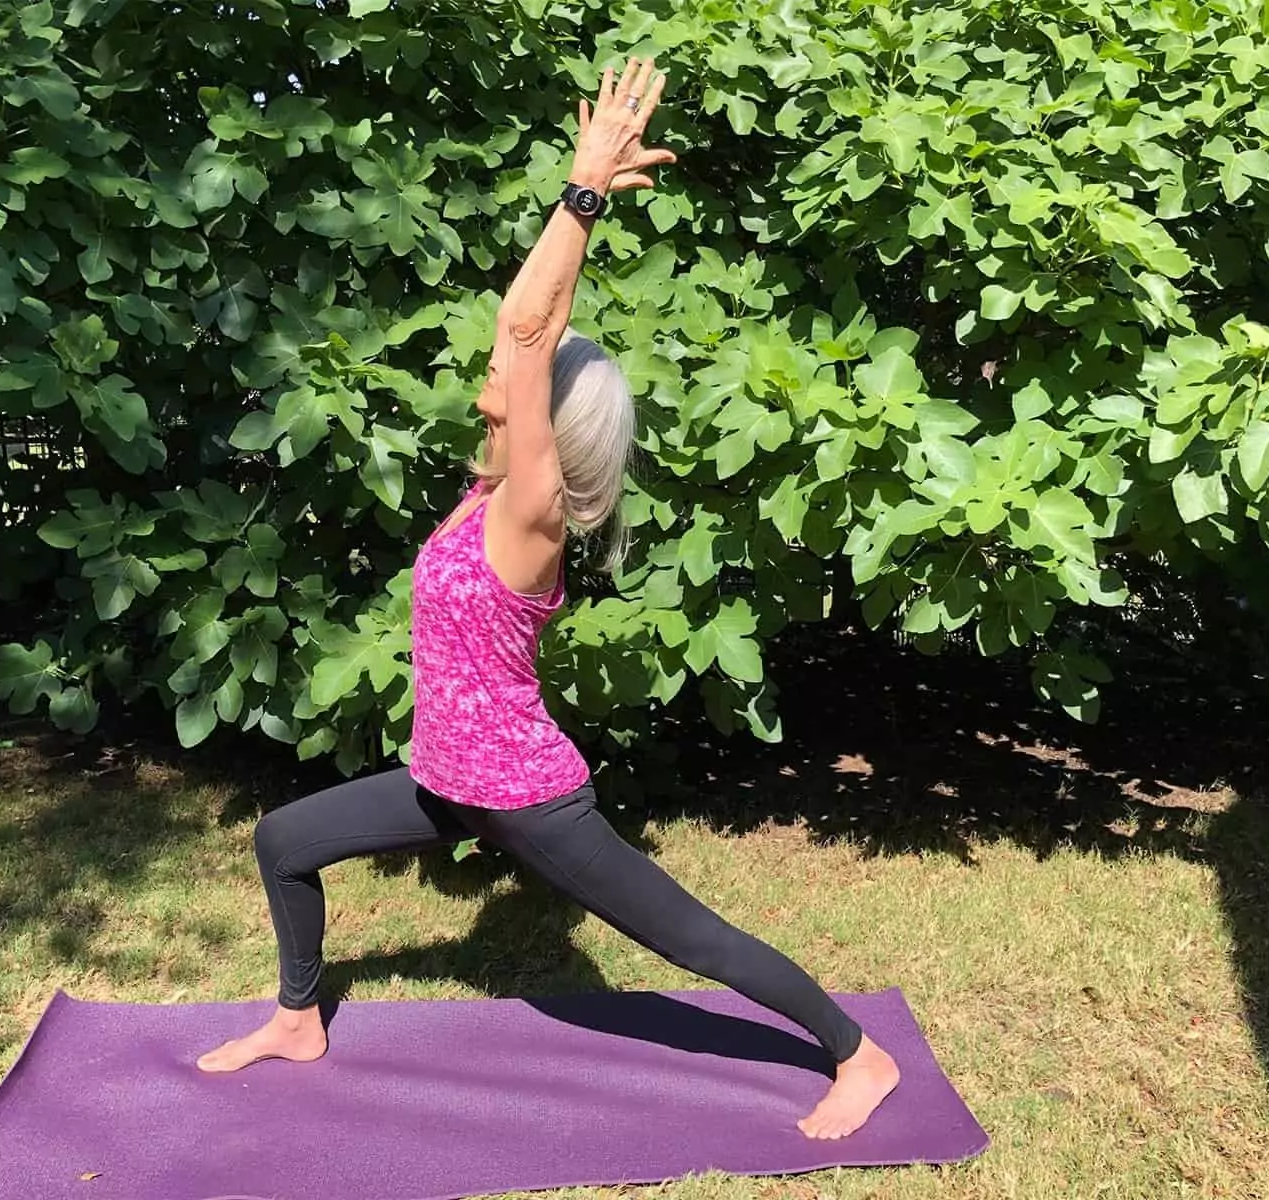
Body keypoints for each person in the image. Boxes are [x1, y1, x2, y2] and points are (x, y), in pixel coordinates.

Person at [197, 58, 901, 1140]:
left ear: (548, 416)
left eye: (530, 369)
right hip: (446, 778)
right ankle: (298, 1019)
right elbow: (523, 327)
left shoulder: (530, 514)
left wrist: (579, 195)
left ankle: (859, 1056)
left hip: (523, 794)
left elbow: (530, 330)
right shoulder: (482, 484)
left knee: (691, 941)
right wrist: (559, 258)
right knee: (285, 839)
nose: (509, 354)